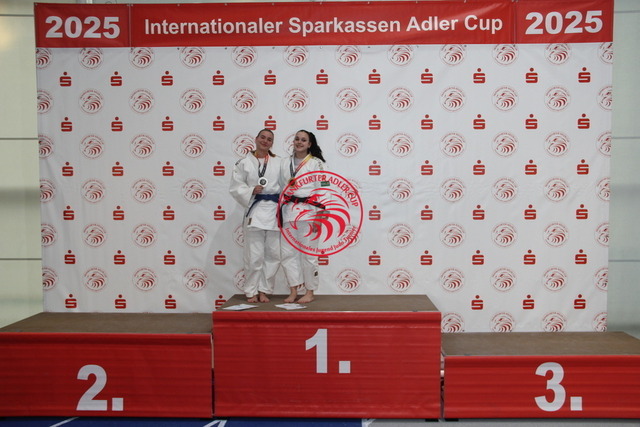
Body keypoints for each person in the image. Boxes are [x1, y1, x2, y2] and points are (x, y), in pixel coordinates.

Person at [229, 129, 282, 303]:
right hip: (255, 210)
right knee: (254, 255)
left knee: (273, 255)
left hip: (273, 211)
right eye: (263, 138)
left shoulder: (279, 162)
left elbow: (287, 183)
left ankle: (264, 290)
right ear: (256, 139)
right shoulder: (244, 163)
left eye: (269, 139)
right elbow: (235, 187)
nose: (265, 141)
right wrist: (251, 190)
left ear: (272, 143)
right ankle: (251, 290)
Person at [279, 130, 328, 304]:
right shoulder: (285, 163)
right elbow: (280, 187)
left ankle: (309, 291)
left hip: (309, 212)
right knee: (287, 254)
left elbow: (323, 189)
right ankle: (293, 290)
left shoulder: (316, 163)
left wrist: (320, 216)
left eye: (303, 140)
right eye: (297, 139)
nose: (299, 142)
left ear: (309, 144)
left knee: (308, 255)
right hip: (289, 212)